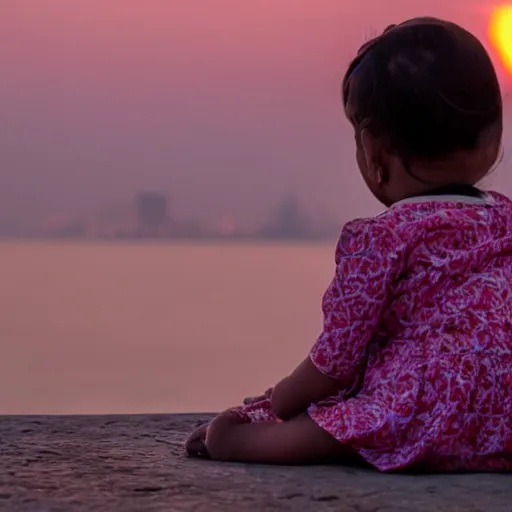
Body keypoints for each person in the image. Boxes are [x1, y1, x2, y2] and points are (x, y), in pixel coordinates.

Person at [185, 17, 512, 472]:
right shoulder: (506, 220)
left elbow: (334, 363)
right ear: (491, 140)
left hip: (425, 408)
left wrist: (275, 404)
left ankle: (237, 444)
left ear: (376, 156)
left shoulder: (381, 238)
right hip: (505, 410)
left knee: (331, 427)